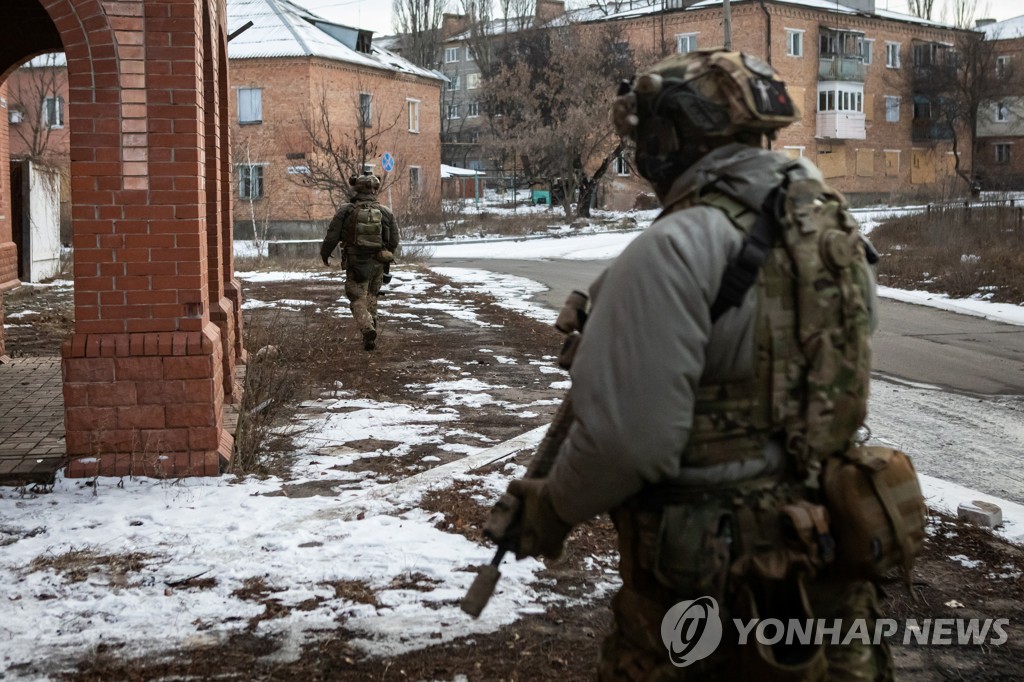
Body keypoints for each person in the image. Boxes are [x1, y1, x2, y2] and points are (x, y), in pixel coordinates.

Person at [502, 50, 888, 680]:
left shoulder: (676, 246)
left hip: (711, 584)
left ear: (669, 139)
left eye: (646, 137)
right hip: (824, 553)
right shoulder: (832, 231)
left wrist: (551, 508)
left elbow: (628, 443)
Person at [320, 174, 399, 351]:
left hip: (356, 261)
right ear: (374, 190)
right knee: (372, 295)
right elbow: (394, 239)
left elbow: (332, 235)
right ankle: (370, 338)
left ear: (356, 188)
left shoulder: (346, 210)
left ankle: (367, 328)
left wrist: (325, 254)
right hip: (378, 262)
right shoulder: (385, 211)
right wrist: (387, 254)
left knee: (356, 297)